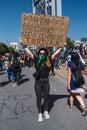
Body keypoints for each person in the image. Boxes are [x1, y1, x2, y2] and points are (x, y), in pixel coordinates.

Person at [24, 46, 62, 122]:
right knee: (39, 98)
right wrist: (24, 46)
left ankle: (46, 111)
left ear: (46, 54)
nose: (42, 54)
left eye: (43, 53)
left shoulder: (49, 60)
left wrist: (61, 47)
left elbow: (55, 53)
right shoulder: (37, 60)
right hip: (38, 82)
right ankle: (40, 114)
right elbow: (29, 52)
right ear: (38, 54)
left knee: (46, 98)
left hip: (46, 82)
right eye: (40, 53)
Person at [67, 52, 87, 116]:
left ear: (72, 57)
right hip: (79, 80)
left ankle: (83, 108)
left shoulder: (70, 63)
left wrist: (68, 84)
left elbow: (69, 74)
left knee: (75, 94)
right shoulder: (80, 63)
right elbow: (83, 70)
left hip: (73, 81)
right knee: (73, 93)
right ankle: (72, 106)